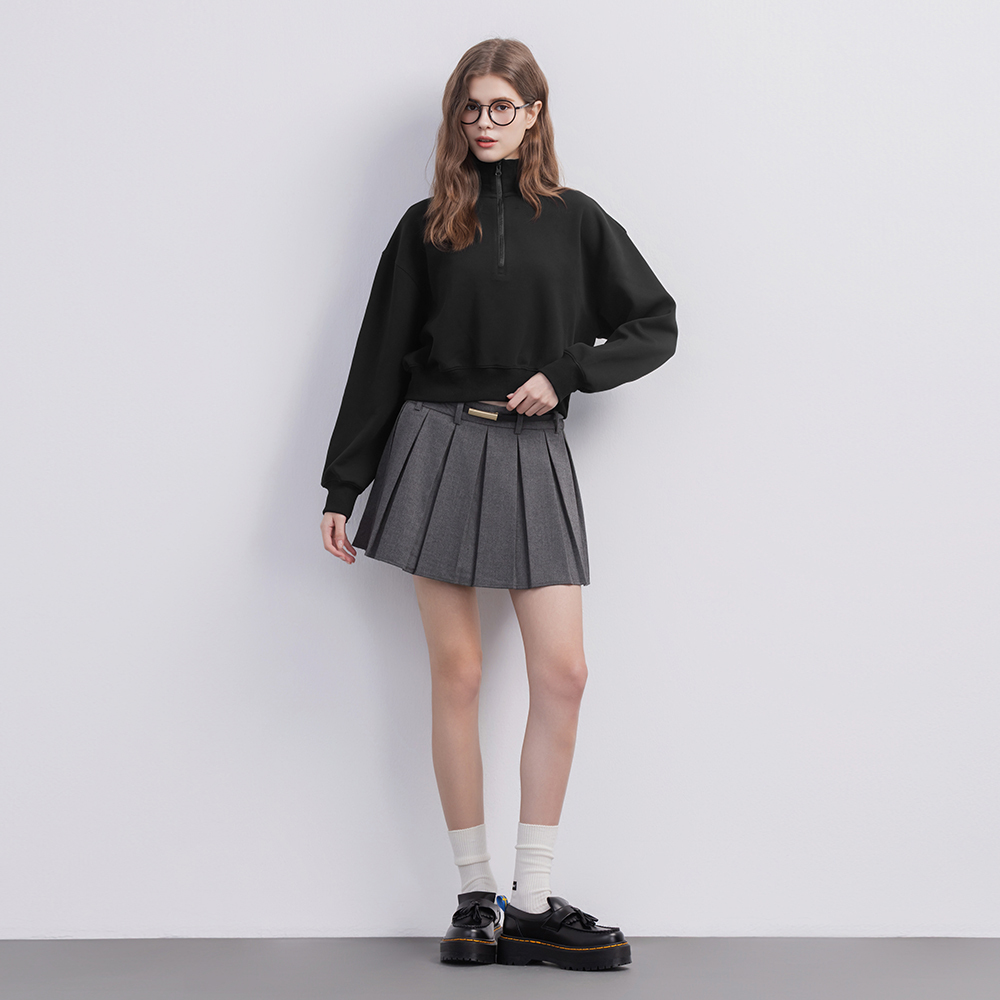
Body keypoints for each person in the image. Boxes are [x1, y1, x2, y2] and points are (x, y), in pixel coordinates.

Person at [319, 37, 677, 971]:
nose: (484, 123)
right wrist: (344, 484)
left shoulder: (578, 220)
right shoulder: (426, 226)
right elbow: (378, 356)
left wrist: (569, 372)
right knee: (461, 675)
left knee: (564, 674)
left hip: (532, 452)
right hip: (434, 445)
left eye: (502, 108)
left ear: (534, 115)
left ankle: (532, 898)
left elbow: (656, 323)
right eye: (470, 108)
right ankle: (475, 896)